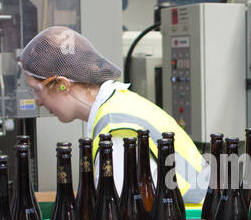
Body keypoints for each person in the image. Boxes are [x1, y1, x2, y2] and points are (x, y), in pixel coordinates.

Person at [19, 26, 209, 205]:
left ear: (62, 84)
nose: (38, 102)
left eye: (36, 90)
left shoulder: (115, 127)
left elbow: (118, 214)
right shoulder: (116, 105)